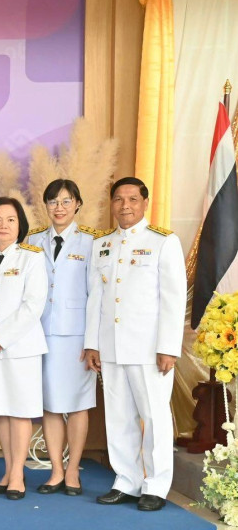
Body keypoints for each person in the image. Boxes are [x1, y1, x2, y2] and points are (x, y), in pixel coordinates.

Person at [84, 177, 186, 511]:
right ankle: (126, 481)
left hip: (148, 349)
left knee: (154, 417)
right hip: (111, 346)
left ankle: (156, 486)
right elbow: (95, 298)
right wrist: (92, 343)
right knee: (118, 417)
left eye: (132, 199)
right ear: (111, 204)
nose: (125, 205)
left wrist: (168, 347)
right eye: (118, 199)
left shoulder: (163, 241)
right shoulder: (102, 244)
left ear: (145, 203)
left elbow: (173, 298)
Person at [0, 197, 48, 500]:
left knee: (20, 411)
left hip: (20, 347)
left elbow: (33, 305)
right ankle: (8, 470)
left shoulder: (32, 258)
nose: (3, 225)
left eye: (11, 219)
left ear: (20, 225)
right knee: (0, 410)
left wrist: (0, 338)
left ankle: (18, 474)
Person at [27, 179, 98, 495]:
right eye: (53, 201)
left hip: (77, 335)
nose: (59, 207)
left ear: (78, 204)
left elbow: (96, 295)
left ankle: (73, 470)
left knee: (79, 403)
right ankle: (55, 469)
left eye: (66, 201)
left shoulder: (92, 241)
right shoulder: (32, 241)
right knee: (51, 403)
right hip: (40, 332)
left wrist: (92, 341)